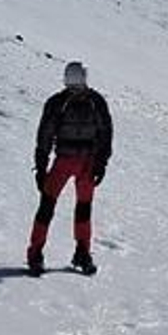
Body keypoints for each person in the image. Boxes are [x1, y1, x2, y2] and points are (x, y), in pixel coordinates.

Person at [28, 61, 113, 276]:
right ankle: (80, 253)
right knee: (80, 209)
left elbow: (45, 136)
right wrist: (101, 162)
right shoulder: (95, 101)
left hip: (70, 162)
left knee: (48, 207)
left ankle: (37, 254)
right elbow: (106, 133)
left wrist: (41, 167)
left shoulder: (58, 102)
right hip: (85, 162)